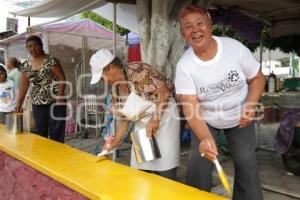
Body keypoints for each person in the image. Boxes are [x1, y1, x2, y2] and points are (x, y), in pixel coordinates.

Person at [175, 5, 265, 200]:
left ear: (209, 24)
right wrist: (206, 139)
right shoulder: (185, 66)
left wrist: (251, 105)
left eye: (200, 23)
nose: (195, 30)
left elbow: (257, 78)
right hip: (206, 119)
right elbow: (190, 105)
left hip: (240, 116)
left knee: (246, 163)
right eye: (188, 26)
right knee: (199, 163)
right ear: (183, 34)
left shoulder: (233, 48)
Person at [89, 49, 180, 180]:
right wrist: (114, 142)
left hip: (164, 116)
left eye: (102, 76)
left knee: (165, 168)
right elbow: (123, 121)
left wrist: (156, 118)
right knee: (141, 170)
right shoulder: (116, 92)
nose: (104, 81)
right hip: (143, 125)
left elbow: (164, 92)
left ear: (110, 67)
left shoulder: (138, 71)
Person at [15, 35, 67, 143]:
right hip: (37, 104)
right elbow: (24, 86)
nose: (32, 49)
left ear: (41, 46)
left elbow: (62, 78)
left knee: (56, 132)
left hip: (55, 102)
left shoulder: (51, 61)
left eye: (35, 46)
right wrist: (19, 103)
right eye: (29, 46)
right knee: (40, 131)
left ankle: (57, 156)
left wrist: (60, 97)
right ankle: (42, 157)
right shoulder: (26, 65)